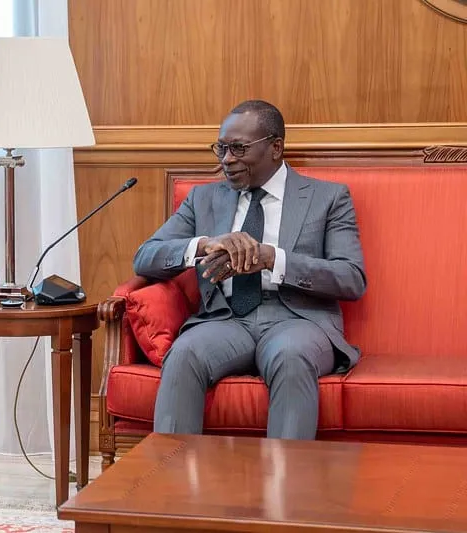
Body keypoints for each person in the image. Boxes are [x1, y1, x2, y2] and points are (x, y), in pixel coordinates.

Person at [133, 100, 367, 440]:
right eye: (222, 149)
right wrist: (205, 244)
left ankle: (283, 489)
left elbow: (351, 278)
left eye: (239, 149)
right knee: (184, 354)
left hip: (296, 320)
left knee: (291, 355)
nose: (227, 159)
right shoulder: (203, 199)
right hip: (226, 320)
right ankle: (171, 483)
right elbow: (145, 257)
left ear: (275, 147)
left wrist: (272, 258)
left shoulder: (327, 198)